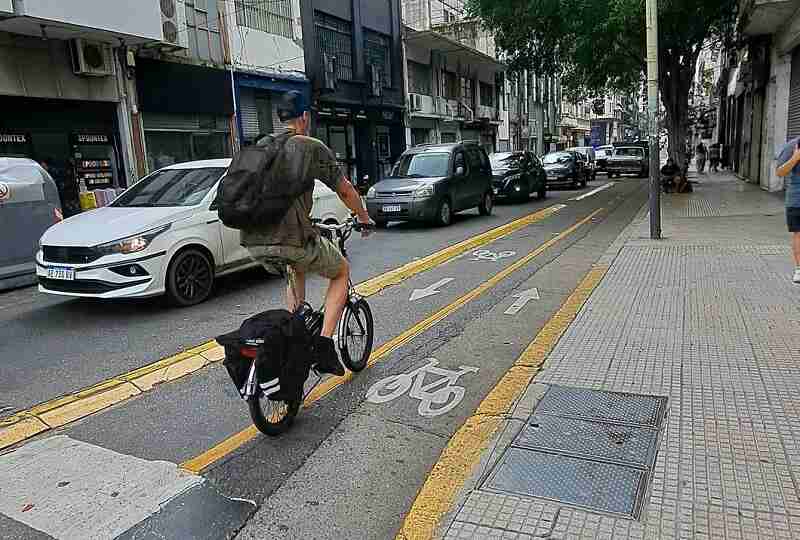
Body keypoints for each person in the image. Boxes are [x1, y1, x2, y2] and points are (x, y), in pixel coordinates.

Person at [241, 91, 374, 375]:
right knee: (341, 271)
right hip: (291, 238)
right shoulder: (309, 147)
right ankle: (325, 346)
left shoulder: (263, 147)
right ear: (304, 117)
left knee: (295, 269)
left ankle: (295, 333)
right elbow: (345, 189)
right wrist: (364, 219)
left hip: (254, 240)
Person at [776, 137, 800, 283]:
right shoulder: (792, 146)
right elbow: (779, 172)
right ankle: (799, 269)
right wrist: (795, 158)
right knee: (799, 233)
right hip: (797, 199)